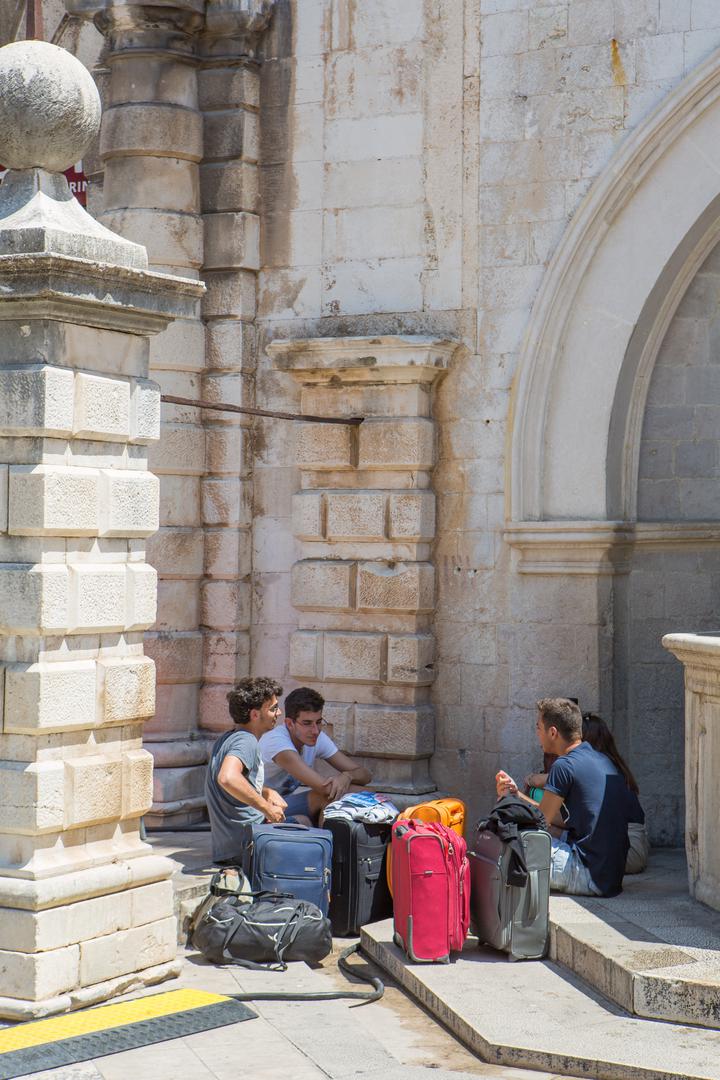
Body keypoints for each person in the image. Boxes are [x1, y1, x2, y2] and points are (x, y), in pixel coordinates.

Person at [496, 697, 632, 897]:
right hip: (612, 876)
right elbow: (555, 818)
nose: (537, 734)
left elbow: (539, 823)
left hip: (588, 875)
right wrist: (517, 795)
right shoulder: (600, 758)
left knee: (510, 843)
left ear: (553, 733)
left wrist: (507, 802)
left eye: (538, 728)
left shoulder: (564, 766)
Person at [523, 711, 649, 875]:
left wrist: (528, 790)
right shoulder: (606, 766)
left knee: (528, 845)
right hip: (622, 847)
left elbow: (550, 818)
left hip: (627, 851)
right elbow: (566, 819)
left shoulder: (598, 771)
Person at [259, 686, 372, 826]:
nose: (315, 730)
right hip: (257, 810)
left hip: (284, 803)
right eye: (307, 723)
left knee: (354, 795)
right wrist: (365, 793)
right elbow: (325, 789)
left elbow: (365, 775)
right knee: (328, 796)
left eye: (318, 722)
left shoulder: (316, 737)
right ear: (289, 723)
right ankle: (326, 844)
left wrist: (347, 776)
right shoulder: (277, 742)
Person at [205, 676, 288, 865]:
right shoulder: (246, 741)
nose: (279, 712)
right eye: (273, 708)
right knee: (311, 830)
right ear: (255, 715)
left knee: (299, 819)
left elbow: (234, 782)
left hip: (232, 845)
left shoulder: (229, 738)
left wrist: (266, 792)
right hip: (245, 846)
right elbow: (227, 778)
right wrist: (267, 809)